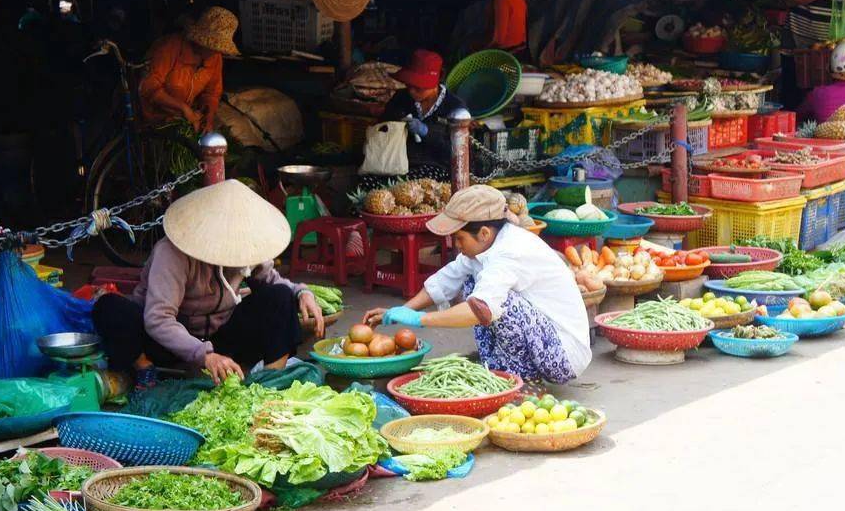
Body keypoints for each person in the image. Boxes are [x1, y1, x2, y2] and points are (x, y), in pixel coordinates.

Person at [92, 179, 325, 386]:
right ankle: (144, 369)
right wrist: (204, 355)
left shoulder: (246, 245)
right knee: (110, 307)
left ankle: (271, 381)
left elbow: (272, 282)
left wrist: (301, 293)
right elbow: (158, 319)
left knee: (280, 296)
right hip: (166, 342)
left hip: (220, 337)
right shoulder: (171, 253)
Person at [363, 185, 592, 384]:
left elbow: (479, 309)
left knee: (491, 304)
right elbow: (446, 279)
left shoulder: (509, 253)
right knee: (472, 282)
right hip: (544, 339)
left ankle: (521, 379)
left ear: (483, 233)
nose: (456, 244)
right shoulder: (486, 246)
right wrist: (403, 310)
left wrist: (420, 320)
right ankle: (500, 368)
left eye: (460, 238)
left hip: (563, 355)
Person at [371, 49, 467, 183]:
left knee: (410, 184)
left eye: (418, 88)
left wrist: (427, 132)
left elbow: (458, 151)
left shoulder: (454, 107)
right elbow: (382, 127)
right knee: (369, 182)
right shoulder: (400, 98)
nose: (411, 92)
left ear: (435, 83)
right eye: (409, 86)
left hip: (437, 166)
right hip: (397, 163)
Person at [139, 6, 238, 131]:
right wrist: (183, 108)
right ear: (200, 40)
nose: (216, 52)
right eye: (212, 46)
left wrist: (208, 118)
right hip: (152, 120)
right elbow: (148, 86)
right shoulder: (170, 47)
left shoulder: (215, 57)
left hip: (181, 121)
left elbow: (212, 93)